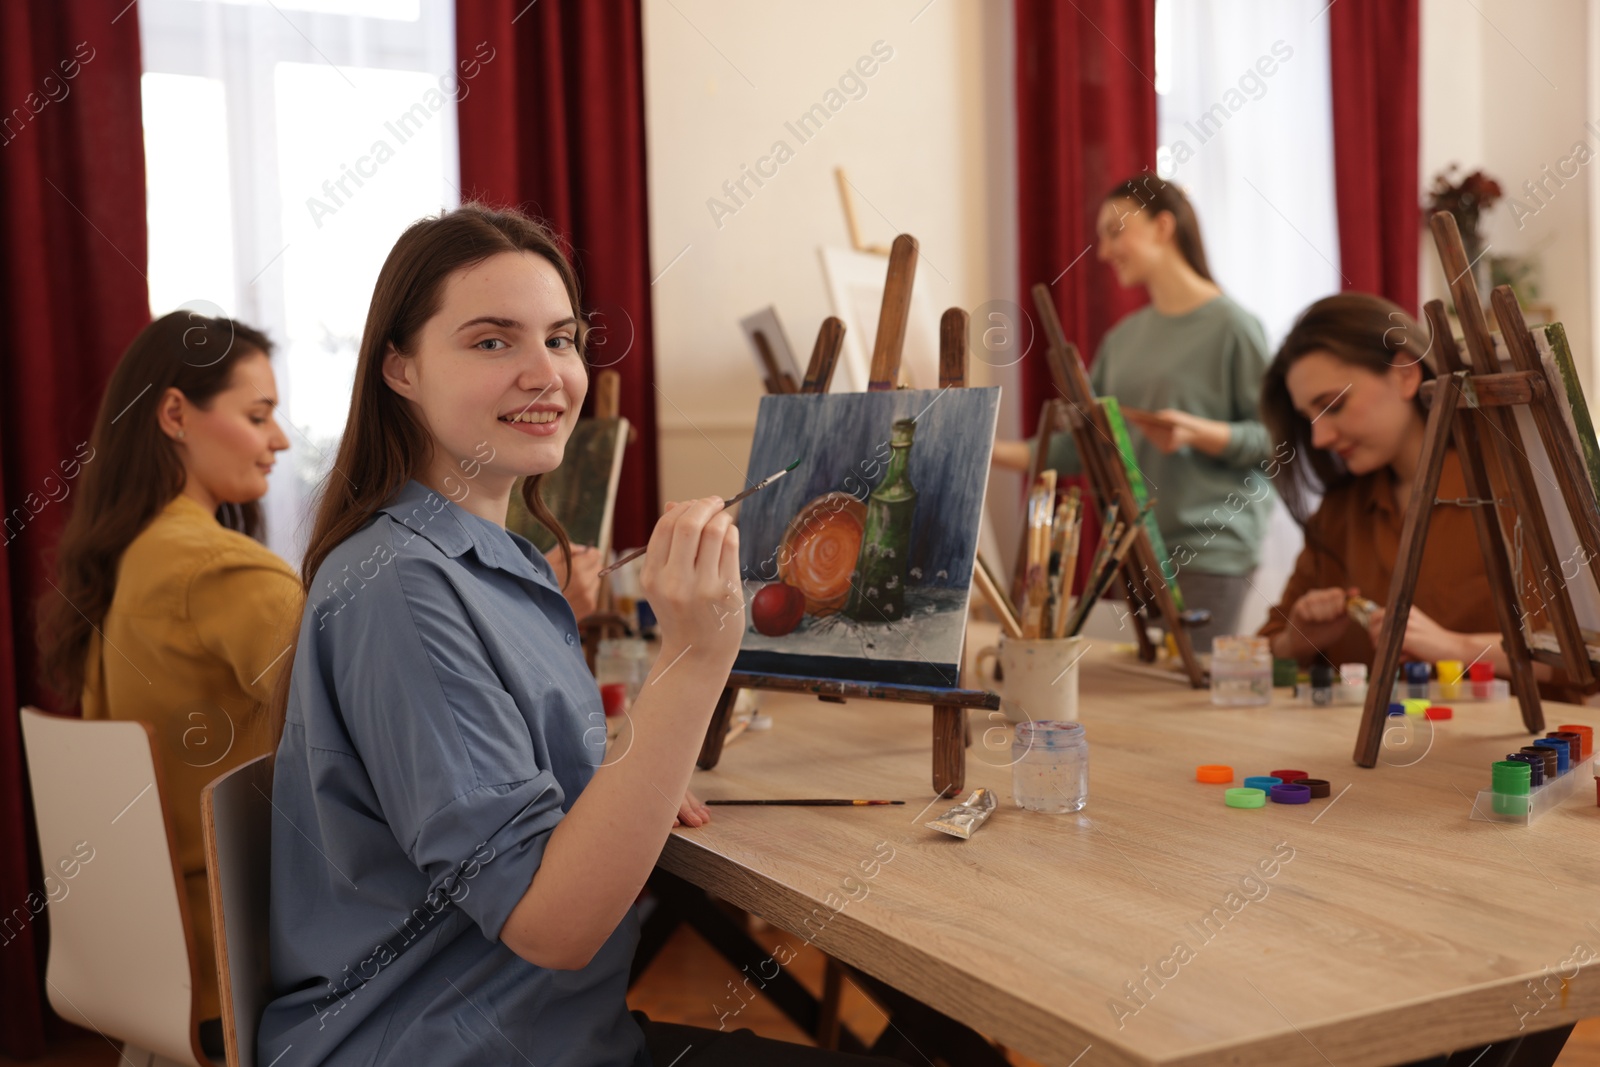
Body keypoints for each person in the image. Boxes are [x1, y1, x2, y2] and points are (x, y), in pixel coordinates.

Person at [256, 204, 886, 1066]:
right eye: (491, 341)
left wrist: (622, 786)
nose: (545, 372)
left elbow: (521, 805)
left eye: (560, 339)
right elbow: (553, 926)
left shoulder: (497, 558)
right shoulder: (399, 584)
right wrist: (695, 657)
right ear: (399, 369)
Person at [37, 312, 301, 1049]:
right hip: (240, 961)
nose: (279, 439)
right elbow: (371, 720)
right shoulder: (220, 568)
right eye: (258, 415)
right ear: (176, 413)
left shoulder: (125, 561)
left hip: (155, 959)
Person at [994, 174, 1277, 644]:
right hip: (1137, 551)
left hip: (1211, 549)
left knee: (1186, 708)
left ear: (1163, 227)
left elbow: (1275, 441)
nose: (1104, 252)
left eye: (1115, 231)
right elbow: (1084, 446)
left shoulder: (1234, 327)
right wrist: (988, 451)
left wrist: (1196, 432)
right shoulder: (1122, 341)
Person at [1257, 292, 1573, 697]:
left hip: (1521, 753)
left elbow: (1581, 658)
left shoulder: (1519, 485)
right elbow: (1261, 649)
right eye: (1308, 419)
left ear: (1405, 374)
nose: (1319, 437)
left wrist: (1456, 648)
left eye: (1332, 406)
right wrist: (1294, 642)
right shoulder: (1339, 513)